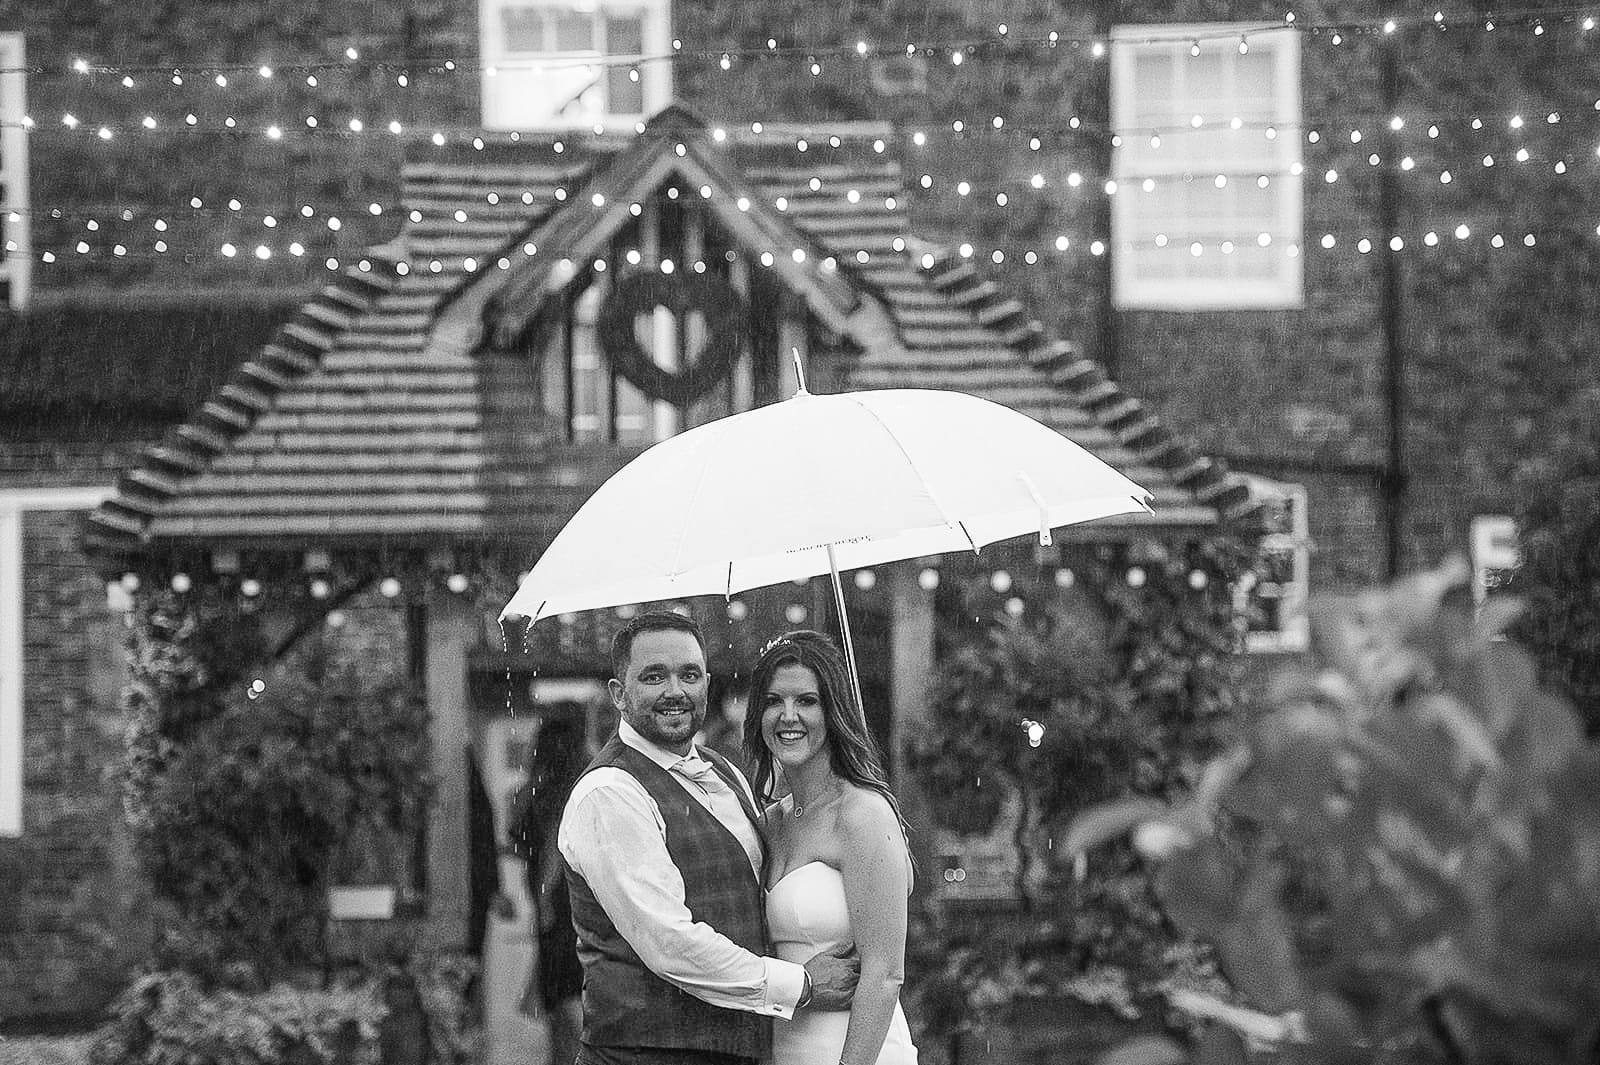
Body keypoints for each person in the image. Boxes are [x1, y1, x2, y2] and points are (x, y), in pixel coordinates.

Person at [557, 610, 861, 1065]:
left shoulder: (725, 770)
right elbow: (669, 943)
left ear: (707, 683)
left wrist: (863, 831)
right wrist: (801, 986)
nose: (675, 691)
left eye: (689, 674)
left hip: (744, 1048)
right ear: (619, 695)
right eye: (654, 676)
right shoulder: (610, 792)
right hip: (643, 1055)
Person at [743, 630, 919, 1065]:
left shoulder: (862, 812)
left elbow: (884, 975)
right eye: (772, 702)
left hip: (858, 1051)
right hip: (786, 1048)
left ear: (833, 711)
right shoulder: (768, 823)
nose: (788, 716)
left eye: (807, 701)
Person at [508, 712, 587, 1065]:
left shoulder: (546, 789)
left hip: (559, 898)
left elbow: (549, 844)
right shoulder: (576, 781)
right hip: (573, 899)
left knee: (563, 997)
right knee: (567, 993)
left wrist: (542, 897)